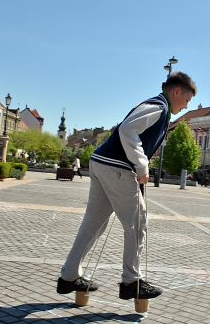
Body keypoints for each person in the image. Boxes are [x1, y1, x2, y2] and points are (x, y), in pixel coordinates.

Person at [57, 72, 197, 300]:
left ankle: (69, 277)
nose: (186, 105)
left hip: (102, 162)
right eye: (187, 100)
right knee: (136, 223)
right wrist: (142, 166)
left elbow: (127, 129)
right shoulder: (159, 107)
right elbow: (127, 129)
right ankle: (131, 282)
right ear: (177, 91)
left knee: (93, 224)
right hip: (116, 166)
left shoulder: (156, 106)